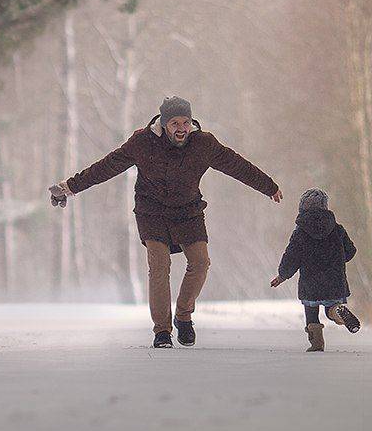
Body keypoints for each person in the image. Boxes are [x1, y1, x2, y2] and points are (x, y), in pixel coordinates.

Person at [50, 95, 282, 348]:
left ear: (191, 122)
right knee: (159, 265)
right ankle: (162, 331)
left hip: (188, 212)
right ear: (164, 123)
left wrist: (268, 186)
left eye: (185, 122)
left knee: (200, 262)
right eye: (175, 123)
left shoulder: (204, 144)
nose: (181, 128)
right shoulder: (143, 142)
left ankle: (183, 315)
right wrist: (69, 187)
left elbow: (237, 165)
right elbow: (106, 166)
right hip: (152, 213)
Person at [270, 188, 361, 352]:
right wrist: (337, 261)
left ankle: (317, 344)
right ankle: (338, 312)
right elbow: (350, 251)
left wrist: (282, 275)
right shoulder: (338, 229)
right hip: (334, 280)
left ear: (302, 207)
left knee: (311, 313)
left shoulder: (300, 233)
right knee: (331, 307)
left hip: (310, 282)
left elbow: (291, 256)